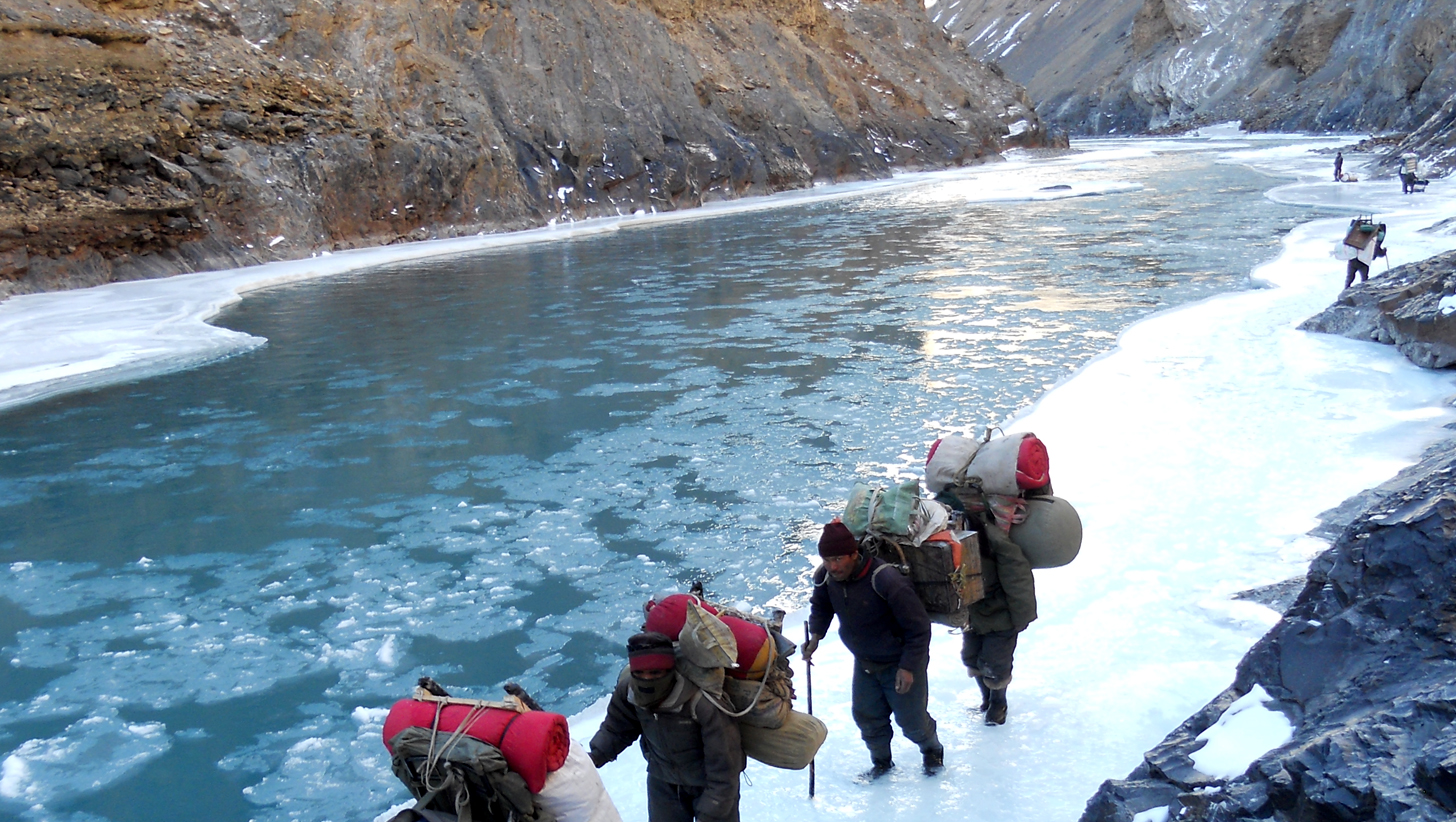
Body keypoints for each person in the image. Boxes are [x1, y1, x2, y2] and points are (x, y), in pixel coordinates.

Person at [802, 521, 943, 779]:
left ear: (854, 554)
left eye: (838, 559)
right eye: (827, 560)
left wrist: (908, 667)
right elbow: (821, 605)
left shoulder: (887, 581)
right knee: (867, 717)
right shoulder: (826, 577)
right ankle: (881, 763)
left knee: (911, 721)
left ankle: (932, 750)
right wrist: (816, 635)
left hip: (899, 661)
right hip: (865, 662)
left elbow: (919, 629)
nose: (833, 567)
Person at [589, 632, 744, 822]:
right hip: (663, 781)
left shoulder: (702, 704)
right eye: (639, 673)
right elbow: (617, 728)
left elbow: (725, 761)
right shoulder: (629, 691)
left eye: (655, 673)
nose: (647, 679)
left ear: (669, 670)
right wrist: (594, 757)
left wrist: (715, 805)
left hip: (709, 784)